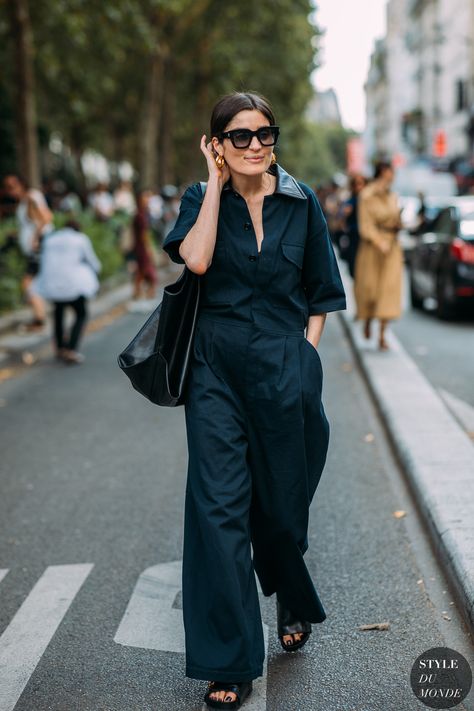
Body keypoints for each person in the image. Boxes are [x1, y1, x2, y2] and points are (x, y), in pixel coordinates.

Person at [162, 92, 346, 710]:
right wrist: (215, 186)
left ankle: (291, 592)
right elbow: (197, 258)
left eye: (265, 133)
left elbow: (322, 295)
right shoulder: (199, 200)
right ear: (217, 145)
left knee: (283, 509)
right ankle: (230, 660)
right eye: (239, 136)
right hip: (214, 371)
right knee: (219, 510)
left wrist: (306, 358)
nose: (256, 145)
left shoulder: (302, 204)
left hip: (285, 371)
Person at [32, 219, 101, 364]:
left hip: (52, 284)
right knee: (81, 313)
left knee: (58, 314)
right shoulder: (80, 239)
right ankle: (71, 349)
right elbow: (92, 261)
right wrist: (96, 272)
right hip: (74, 284)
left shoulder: (51, 239)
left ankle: (59, 348)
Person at [354, 161, 403, 350]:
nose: (393, 175)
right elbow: (365, 225)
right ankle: (367, 320)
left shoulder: (393, 196)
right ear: (383, 172)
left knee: (389, 291)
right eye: (390, 171)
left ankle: (382, 335)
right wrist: (378, 241)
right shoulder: (367, 195)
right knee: (370, 290)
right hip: (371, 250)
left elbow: (395, 219)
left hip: (392, 247)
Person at [2, 174, 53, 330]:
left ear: (21, 184)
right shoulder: (24, 201)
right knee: (33, 284)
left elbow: (46, 217)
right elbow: (30, 224)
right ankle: (39, 317)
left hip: (38, 249)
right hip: (32, 250)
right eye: (7, 187)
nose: (10, 191)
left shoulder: (32, 196)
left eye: (12, 186)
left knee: (28, 283)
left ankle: (40, 319)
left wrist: (36, 238)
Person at [131, 190, 158, 300]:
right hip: (142, 248)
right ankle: (143, 291)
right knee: (146, 270)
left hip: (140, 247)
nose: (147, 201)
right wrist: (149, 248)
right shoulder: (140, 216)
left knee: (143, 270)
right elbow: (143, 234)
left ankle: (139, 291)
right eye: (145, 198)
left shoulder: (141, 214)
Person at [342, 174, 367, 278]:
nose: (359, 187)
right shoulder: (350, 202)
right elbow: (343, 218)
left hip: (365, 239)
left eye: (361, 184)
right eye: (356, 184)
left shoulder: (368, 201)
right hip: (354, 237)